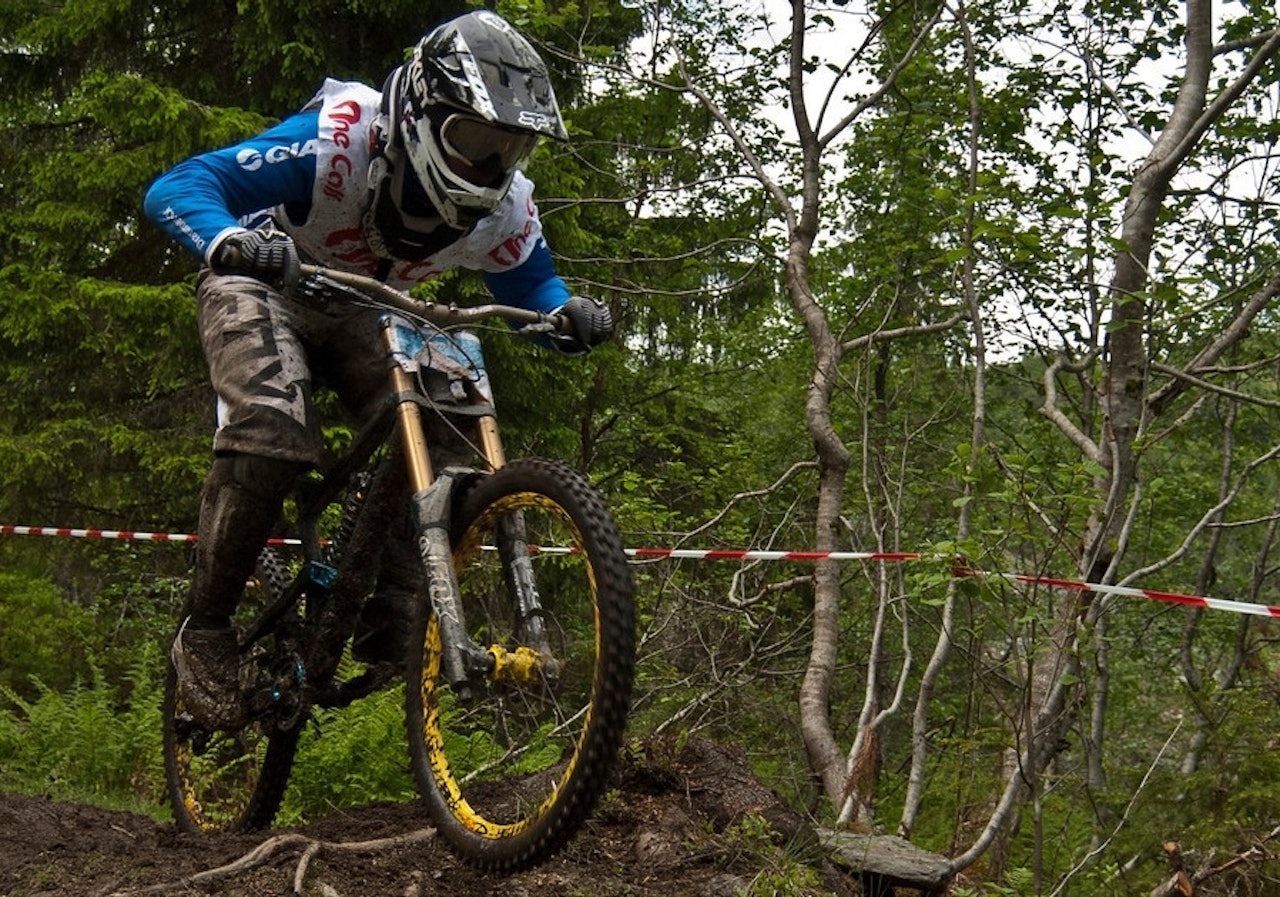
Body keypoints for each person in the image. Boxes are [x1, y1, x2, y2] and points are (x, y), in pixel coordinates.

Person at [144, 10, 612, 730]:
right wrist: (231, 240)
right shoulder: (339, 139)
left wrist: (568, 315)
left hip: (369, 304)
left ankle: (393, 612)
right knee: (271, 430)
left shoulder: (505, 206)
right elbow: (179, 187)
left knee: (449, 437)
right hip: (267, 276)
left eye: (508, 149)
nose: (490, 167)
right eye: (476, 142)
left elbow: (530, 290)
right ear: (423, 114)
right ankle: (204, 627)